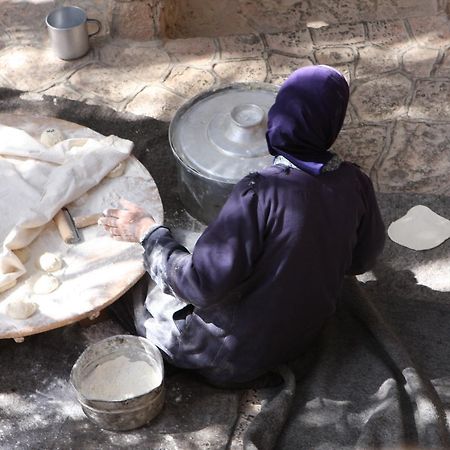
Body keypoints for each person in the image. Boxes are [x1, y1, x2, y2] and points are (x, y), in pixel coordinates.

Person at [99, 65, 386, 387]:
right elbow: (362, 259)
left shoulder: (260, 190)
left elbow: (199, 285)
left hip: (228, 357)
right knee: (194, 247)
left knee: (138, 282)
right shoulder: (355, 182)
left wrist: (145, 231)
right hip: (304, 335)